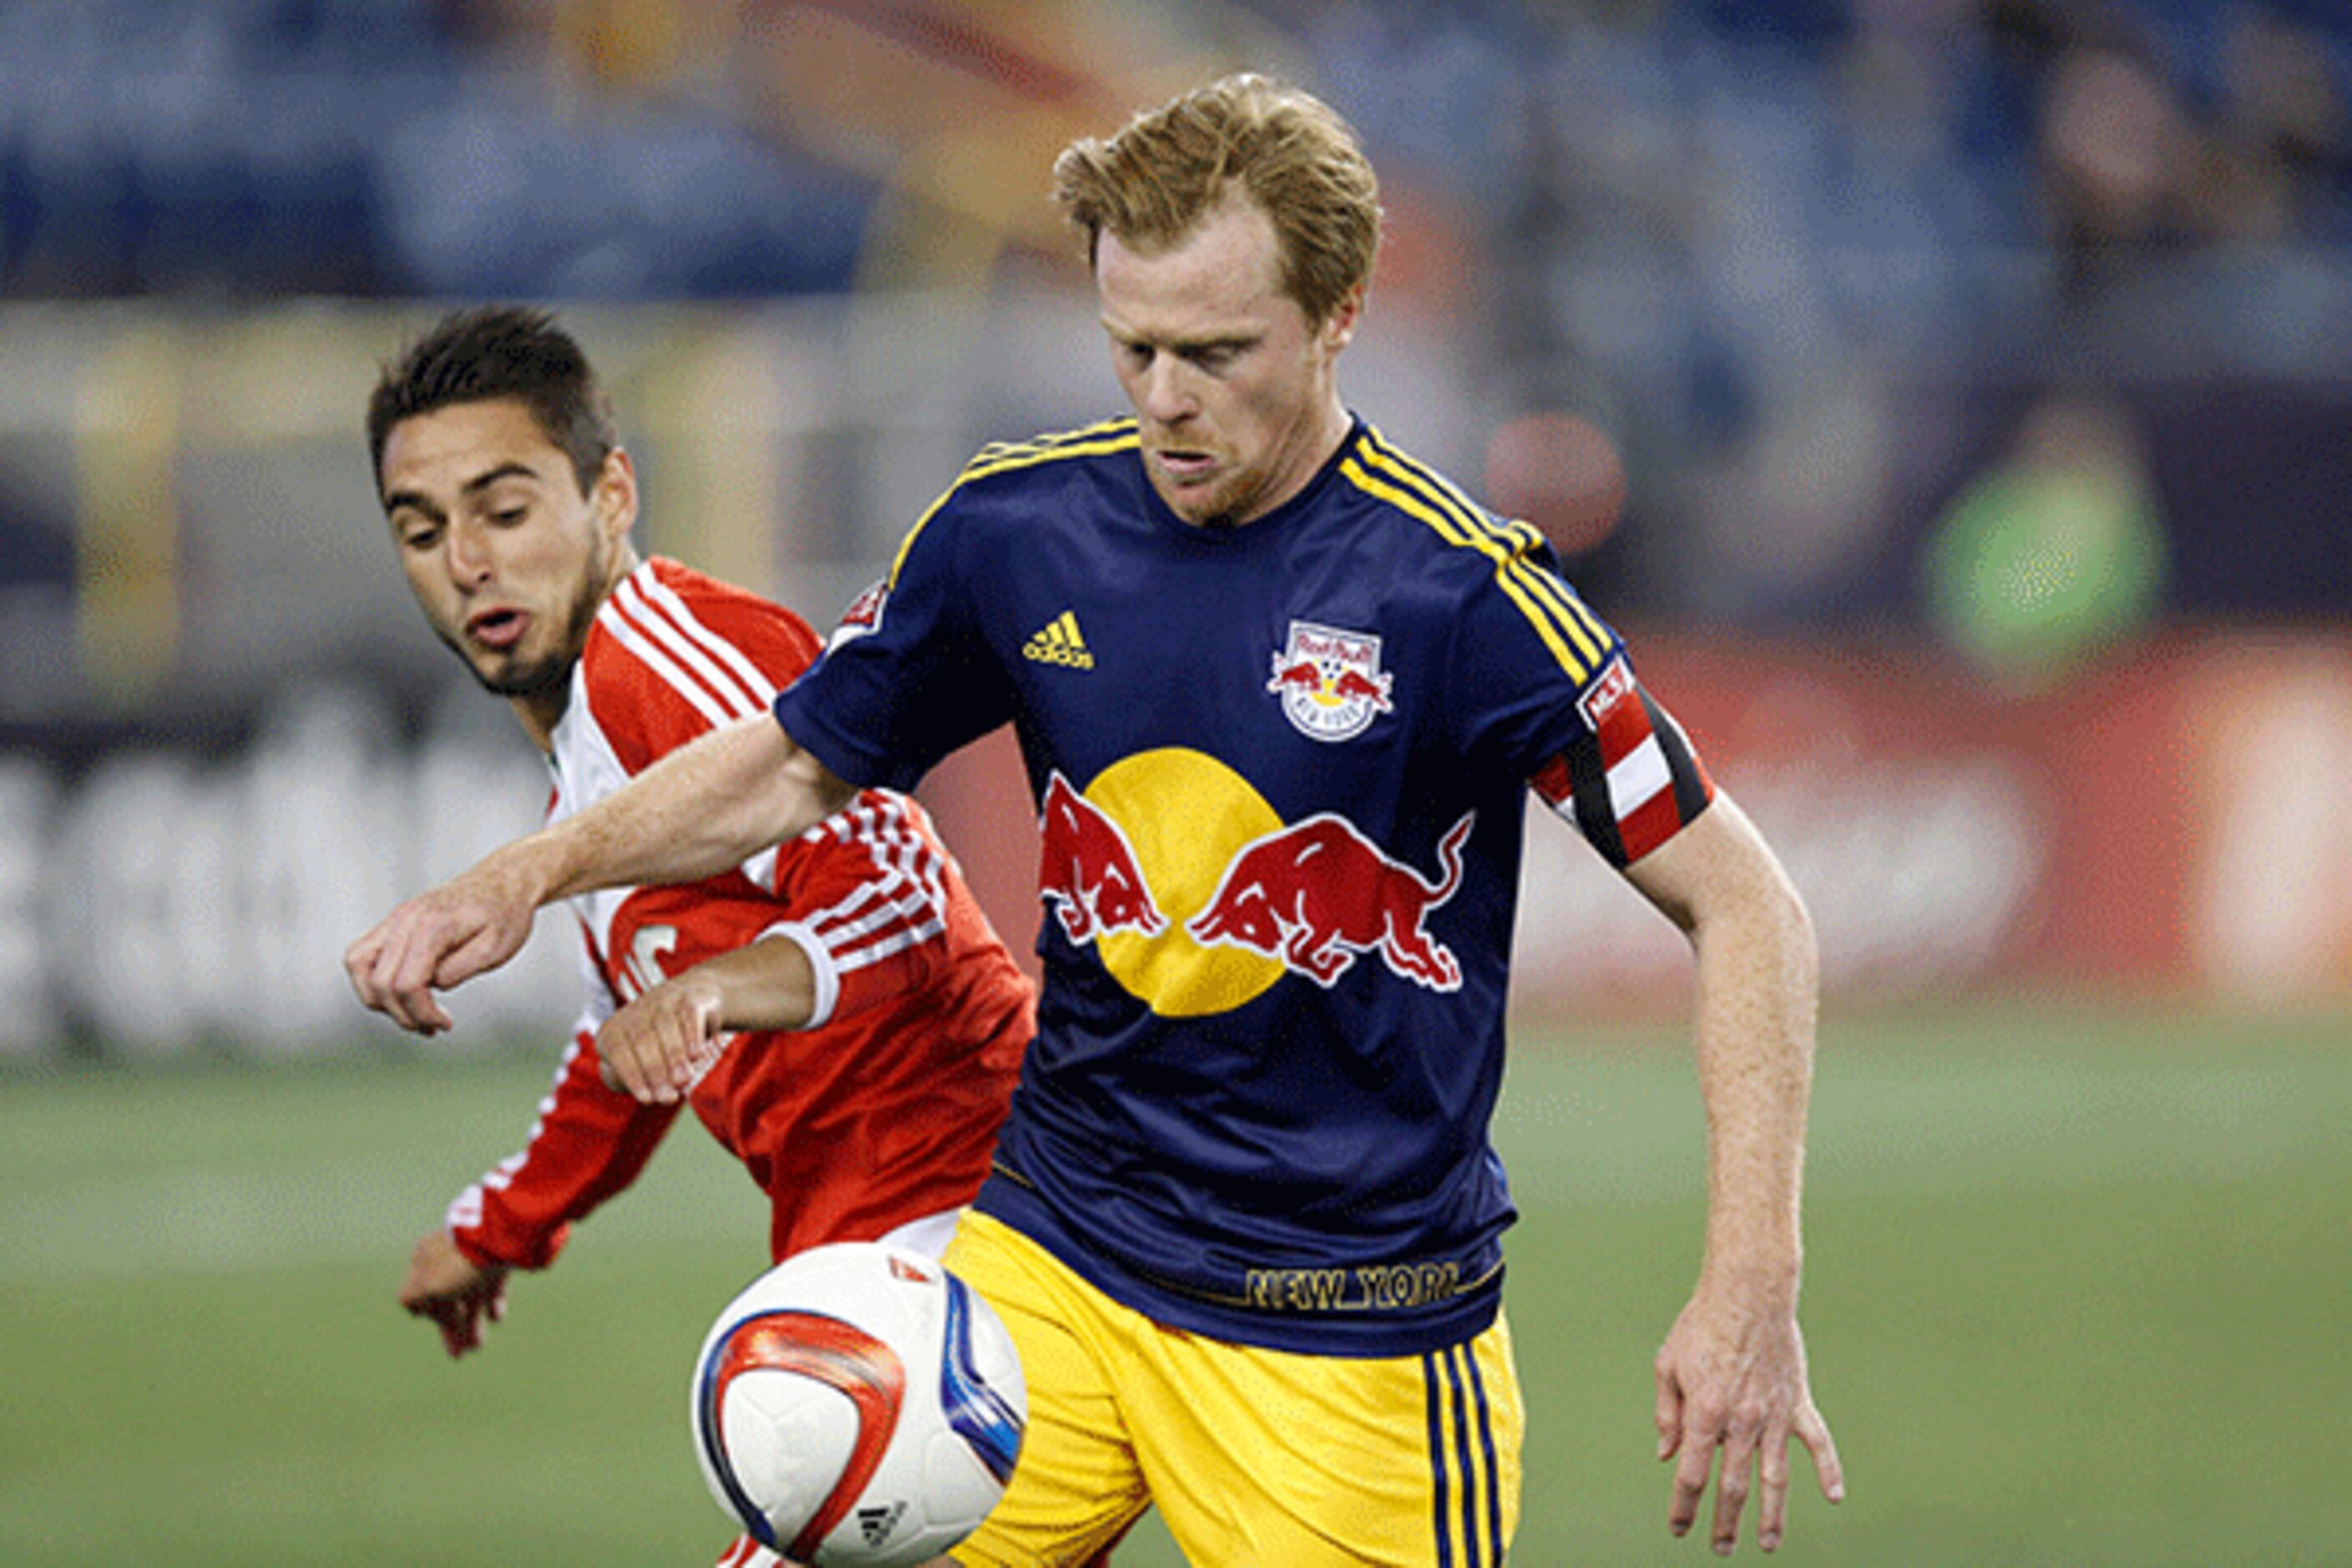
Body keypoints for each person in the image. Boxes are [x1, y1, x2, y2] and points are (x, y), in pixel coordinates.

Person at [349, 78, 1845, 1564]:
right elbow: (798, 762)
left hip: (1347, 1340)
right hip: (1046, 1270)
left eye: (1215, 351)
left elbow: (1742, 902)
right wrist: (526, 874)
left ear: (1339, 315)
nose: (1164, 398)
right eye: (1131, 346)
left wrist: (1747, 1285)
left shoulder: (1461, 595)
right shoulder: (1013, 533)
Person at [362, 306, 1034, 1568]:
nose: (467, 560)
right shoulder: (585, 765)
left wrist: (716, 993)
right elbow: (624, 1048)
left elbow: (905, 901)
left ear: (611, 493)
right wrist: (500, 1224)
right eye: (422, 528)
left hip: (974, 1216)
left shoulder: (670, 656)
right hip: (879, 1237)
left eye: (504, 511)